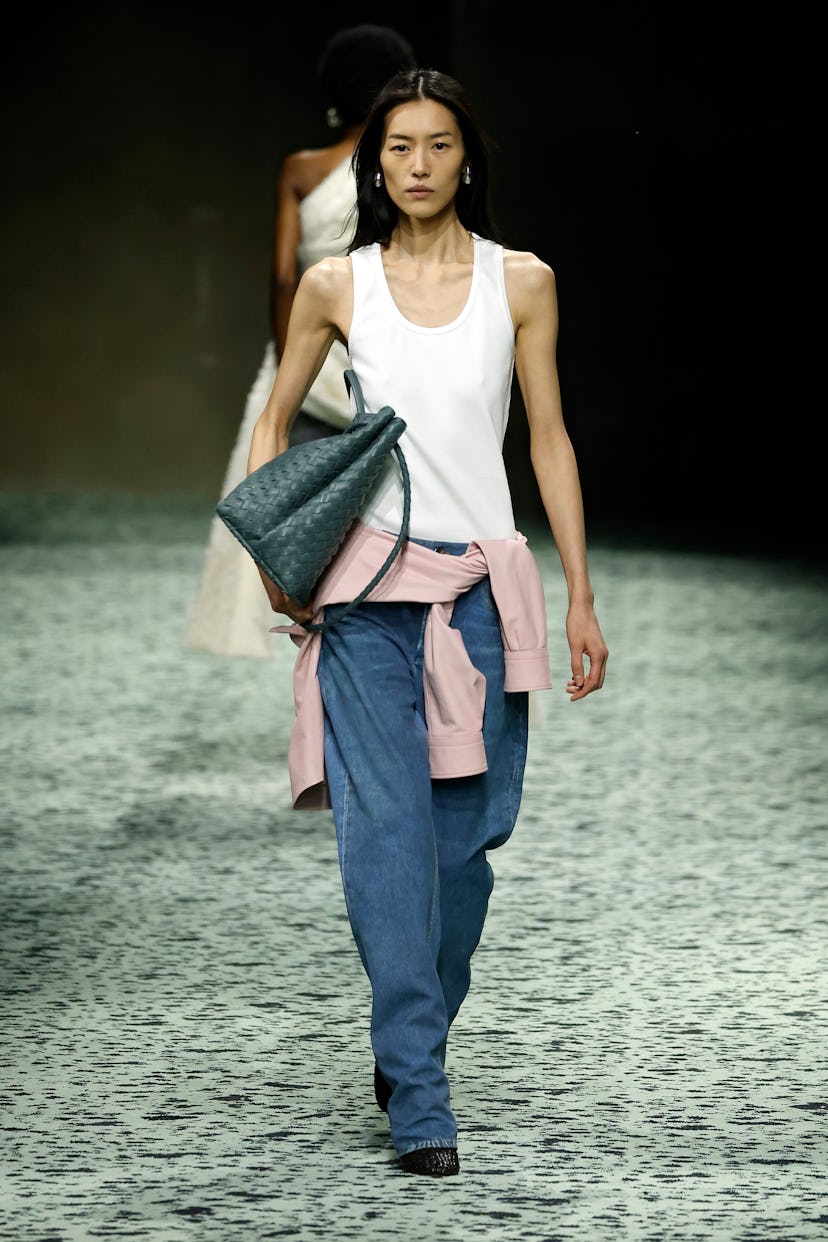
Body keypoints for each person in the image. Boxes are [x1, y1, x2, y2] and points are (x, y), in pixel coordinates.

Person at [246, 67, 609, 1176]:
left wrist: (580, 593)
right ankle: (419, 1092)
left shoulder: (523, 283)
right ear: (377, 162)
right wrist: (278, 560)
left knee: (470, 845)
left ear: (467, 159)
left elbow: (547, 438)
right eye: (397, 147)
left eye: (436, 146)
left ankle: (413, 1031)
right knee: (390, 843)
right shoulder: (337, 285)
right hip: (366, 593)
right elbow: (273, 427)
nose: (415, 165)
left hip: (485, 590)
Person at [185, 24, 417, 658]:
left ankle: (306, 617)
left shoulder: (303, 169)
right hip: (379, 350)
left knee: (281, 489)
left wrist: (295, 357)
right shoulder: (397, 168)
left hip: (304, 348)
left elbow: (284, 275)